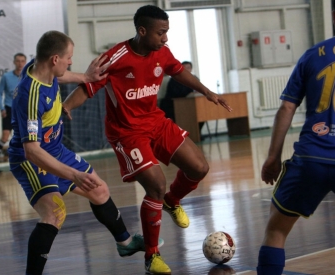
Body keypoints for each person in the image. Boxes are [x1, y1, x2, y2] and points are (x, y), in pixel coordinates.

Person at [62, 5, 232, 274]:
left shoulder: (160, 52)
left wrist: (207, 91)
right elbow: (88, 87)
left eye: (167, 32)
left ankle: (172, 201)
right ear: (142, 31)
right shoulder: (115, 57)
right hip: (127, 133)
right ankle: (152, 256)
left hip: (156, 121)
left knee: (199, 167)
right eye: (161, 32)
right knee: (155, 184)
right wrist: (67, 107)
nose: (165, 38)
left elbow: (178, 72)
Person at [8, 30, 162, 275]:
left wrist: (86, 76)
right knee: (55, 213)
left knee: (99, 190)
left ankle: (124, 243)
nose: (71, 61)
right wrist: (72, 174)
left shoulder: (41, 66)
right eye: (69, 57)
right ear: (55, 59)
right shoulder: (31, 96)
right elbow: (32, 151)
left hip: (55, 149)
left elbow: (63, 75)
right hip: (33, 160)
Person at [256, 1, 335, 274]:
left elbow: (286, 108)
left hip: (310, 158)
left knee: (276, 231)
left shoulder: (313, 54)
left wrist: (272, 157)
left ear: (334, 16)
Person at [0, 53, 27, 175]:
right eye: (18, 61)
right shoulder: (6, 77)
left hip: (22, 111)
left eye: (22, 61)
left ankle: (28, 165)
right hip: (9, 109)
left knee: (27, 137)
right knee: (5, 137)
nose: (20, 63)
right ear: (14, 62)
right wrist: (1, 108)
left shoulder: (27, 77)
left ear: (25, 62)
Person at [159, 61, 205, 138]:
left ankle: (197, 134)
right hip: (172, 105)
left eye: (188, 68)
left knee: (201, 114)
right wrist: (191, 91)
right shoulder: (175, 79)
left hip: (190, 104)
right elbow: (178, 93)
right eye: (185, 68)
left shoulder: (194, 78)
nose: (187, 70)